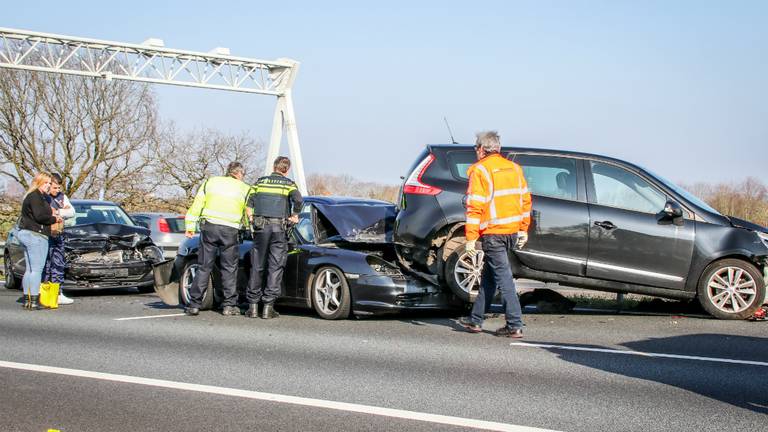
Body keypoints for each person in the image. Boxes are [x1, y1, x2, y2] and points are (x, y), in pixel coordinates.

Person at [458, 131, 532, 338]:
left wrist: (471, 238)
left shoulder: (480, 170)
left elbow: (475, 206)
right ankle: (475, 320)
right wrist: (523, 228)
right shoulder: (515, 169)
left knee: (503, 278)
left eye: (476, 149)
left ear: (481, 149)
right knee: (490, 276)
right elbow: (525, 201)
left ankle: (514, 324)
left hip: (493, 234)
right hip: (511, 232)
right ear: (497, 148)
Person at [184, 162, 252, 316]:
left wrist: (190, 226)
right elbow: (248, 212)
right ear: (239, 174)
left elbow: (197, 206)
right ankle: (229, 305)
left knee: (204, 267)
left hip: (209, 228)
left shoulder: (210, 183)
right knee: (229, 268)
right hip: (230, 231)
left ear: (228, 172)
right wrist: (248, 229)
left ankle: (194, 304)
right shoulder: (245, 188)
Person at [246, 156, 302, 319]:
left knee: (257, 265)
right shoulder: (288, 184)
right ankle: (268, 307)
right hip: (279, 228)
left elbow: (248, 203)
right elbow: (298, 200)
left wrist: (251, 219)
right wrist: (295, 215)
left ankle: (253, 307)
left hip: (260, 227)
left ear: (274, 167)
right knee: (275, 267)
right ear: (287, 169)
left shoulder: (259, 182)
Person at [17, 172, 63, 310]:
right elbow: (40, 216)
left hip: (25, 233)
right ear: (38, 182)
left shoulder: (31, 196)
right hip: (36, 234)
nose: (48, 185)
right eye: (46, 183)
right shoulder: (36, 197)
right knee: (37, 269)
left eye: (49, 183)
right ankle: (35, 301)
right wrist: (55, 219)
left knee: (29, 269)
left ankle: (27, 299)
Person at [43, 173, 76, 305]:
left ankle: (58, 292)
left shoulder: (62, 197)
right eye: (55, 188)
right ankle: (44, 291)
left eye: (59, 188)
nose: (57, 191)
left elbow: (71, 212)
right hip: (45, 234)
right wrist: (59, 211)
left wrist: (57, 212)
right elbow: (43, 213)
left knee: (58, 263)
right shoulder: (43, 197)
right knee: (46, 265)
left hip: (58, 234)